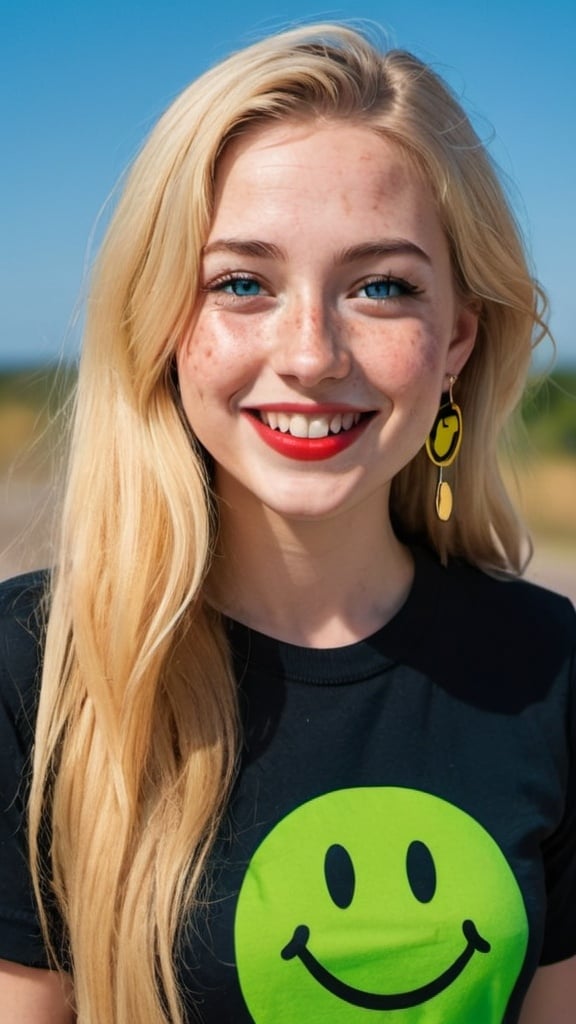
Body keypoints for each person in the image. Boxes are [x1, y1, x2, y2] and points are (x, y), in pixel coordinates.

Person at [0, 22, 574, 1024]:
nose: (311, 353)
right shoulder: (33, 674)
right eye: (242, 283)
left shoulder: (554, 670)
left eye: (381, 285)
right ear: (163, 323)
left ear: (455, 342)